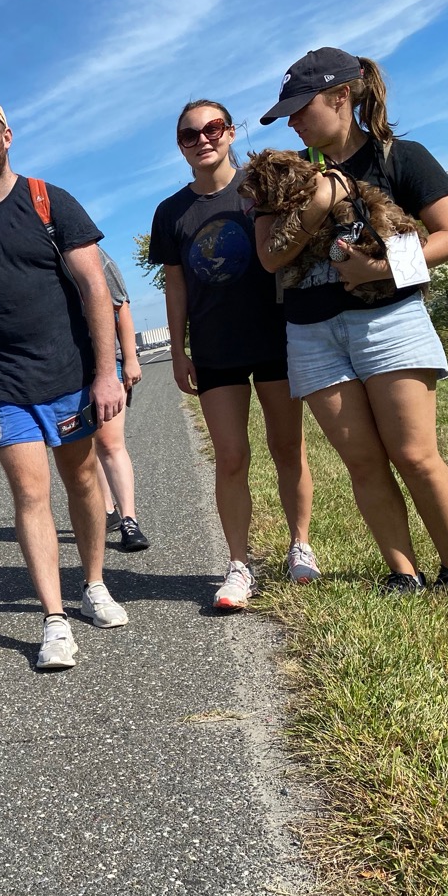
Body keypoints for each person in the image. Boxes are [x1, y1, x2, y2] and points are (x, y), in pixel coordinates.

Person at [254, 48, 448, 593]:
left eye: (301, 109)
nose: (294, 122)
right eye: (288, 114)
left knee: (414, 454)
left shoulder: (400, 157)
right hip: (312, 333)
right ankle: (403, 573)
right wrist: (322, 197)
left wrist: (380, 268)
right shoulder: (287, 176)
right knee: (363, 461)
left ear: (340, 97)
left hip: (389, 322)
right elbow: (271, 258)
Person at [0, 92, 128, 672]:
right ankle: (54, 619)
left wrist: (107, 372)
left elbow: (95, 288)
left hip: (68, 376)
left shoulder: (49, 201)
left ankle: (93, 584)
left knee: (83, 479)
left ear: (6, 136)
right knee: (29, 496)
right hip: (4, 386)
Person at [148, 100, 320, 611]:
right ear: (180, 146)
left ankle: (300, 545)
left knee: (287, 447)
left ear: (229, 132)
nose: (202, 139)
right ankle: (239, 564)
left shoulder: (262, 187)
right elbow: (175, 286)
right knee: (231, 457)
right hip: (215, 346)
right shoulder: (170, 212)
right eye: (189, 134)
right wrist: (178, 350)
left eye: (213, 128)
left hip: (275, 337)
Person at [93, 246, 150, 553]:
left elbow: (121, 306)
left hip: (107, 361)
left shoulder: (94, 254)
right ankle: (106, 511)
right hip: (66, 367)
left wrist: (130, 358)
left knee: (109, 442)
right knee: (87, 445)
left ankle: (130, 520)